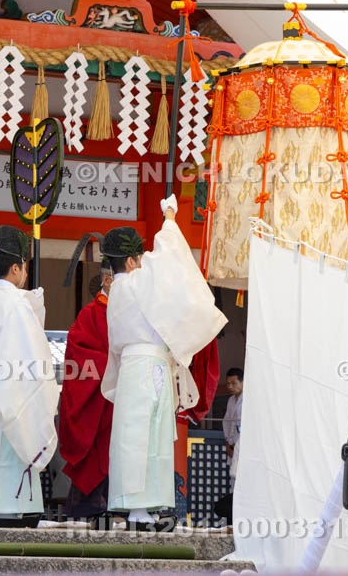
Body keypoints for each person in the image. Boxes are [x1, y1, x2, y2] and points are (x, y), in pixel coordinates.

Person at [102, 195, 227, 529]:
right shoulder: (138, 281)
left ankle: (141, 506)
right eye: (139, 258)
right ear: (130, 262)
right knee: (148, 437)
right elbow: (167, 252)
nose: (144, 261)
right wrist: (169, 216)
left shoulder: (116, 290)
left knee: (136, 437)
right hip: (151, 366)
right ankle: (141, 507)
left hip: (133, 368)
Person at [0, 225, 60, 522]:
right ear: (16, 268)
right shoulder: (16, 302)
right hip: (13, 391)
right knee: (10, 455)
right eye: (25, 266)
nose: (26, 272)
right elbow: (31, 351)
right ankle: (10, 512)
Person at [58, 265, 114, 523]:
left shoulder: (131, 312)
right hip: (98, 404)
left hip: (121, 404)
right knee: (95, 460)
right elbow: (79, 359)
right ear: (107, 280)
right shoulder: (90, 314)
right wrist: (115, 366)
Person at [222, 368, 243, 490]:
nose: (230, 386)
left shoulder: (248, 399)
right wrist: (228, 443)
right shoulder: (231, 400)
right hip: (231, 445)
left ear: (242, 382)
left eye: (234, 383)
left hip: (242, 445)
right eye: (228, 383)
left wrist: (235, 444)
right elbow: (227, 423)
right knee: (234, 480)